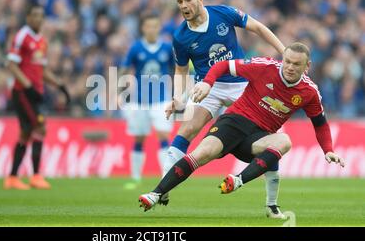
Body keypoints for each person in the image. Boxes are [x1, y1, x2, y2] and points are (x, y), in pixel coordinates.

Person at [139, 42, 345, 213]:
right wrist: (208, 83)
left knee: (284, 141)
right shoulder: (264, 67)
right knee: (202, 153)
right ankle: (155, 194)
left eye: (296, 64)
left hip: (257, 139)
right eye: (287, 62)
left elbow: (320, 124)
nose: (290, 67)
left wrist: (328, 150)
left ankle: (238, 181)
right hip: (234, 122)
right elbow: (223, 66)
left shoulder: (309, 92)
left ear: (307, 66)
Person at [162, 0, 287, 218]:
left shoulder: (224, 13)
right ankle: (164, 188)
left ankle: (271, 205)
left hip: (240, 84)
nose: (184, 6)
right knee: (186, 130)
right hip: (208, 86)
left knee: (272, 138)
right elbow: (180, 71)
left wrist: (284, 51)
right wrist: (178, 99)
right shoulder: (180, 37)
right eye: (179, 2)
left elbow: (259, 28)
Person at [4, 4, 70, 190]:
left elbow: (42, 70)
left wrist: (60, 85)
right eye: (34, 15)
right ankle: (36, 176)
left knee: (26, 132)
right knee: (40, 128)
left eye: (41, 15)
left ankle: (12, 178)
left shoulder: (42, 40)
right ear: (28, 17)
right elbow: (11, 65)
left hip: (36, 92)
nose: (38, 19)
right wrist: (28, 86)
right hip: (23, 92)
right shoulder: (22, 36)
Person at [120, 13, 175, 190]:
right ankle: (135, 178)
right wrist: (119, 90)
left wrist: (179, 94)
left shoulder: (167, 48)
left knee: (163, 136)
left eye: (155, 26)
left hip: (161, 100)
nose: (152, 29)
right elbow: (125, 69)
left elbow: (177, 69)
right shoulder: (136, 48)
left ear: (159, 28)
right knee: (139, 138)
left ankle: (165, 176)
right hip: (140, 101)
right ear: (143, 28)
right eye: (148, 26)